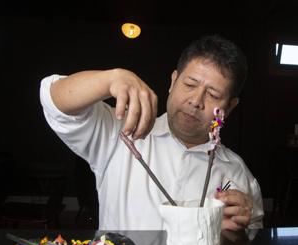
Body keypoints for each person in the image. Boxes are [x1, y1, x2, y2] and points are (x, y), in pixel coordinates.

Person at [40, 34, 264, 231]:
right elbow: (54, 101)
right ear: (173, 81)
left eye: (213, 95)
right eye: (189, 84)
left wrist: (239, 228)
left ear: (230, 107)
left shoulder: (238, 175)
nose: (196, 101)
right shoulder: (121, 131)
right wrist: (112, 78)